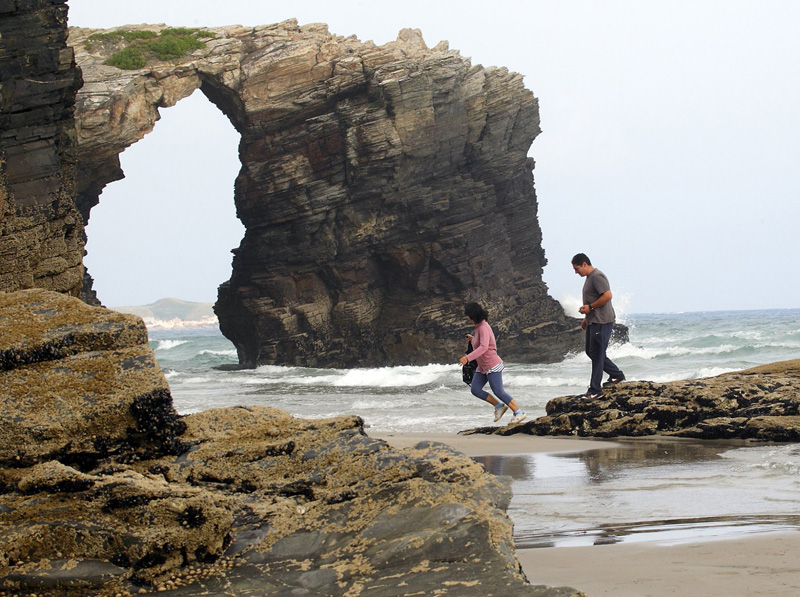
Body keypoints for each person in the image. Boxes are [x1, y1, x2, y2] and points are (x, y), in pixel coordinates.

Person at [458, 302, 526, 424]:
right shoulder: (478, 327)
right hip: (482, 366)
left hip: (492, 364)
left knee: (498, 391)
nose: (468, 318)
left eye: (468, 316)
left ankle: (519, 412)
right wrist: (472, 339)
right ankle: (499, 406)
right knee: (475, 389)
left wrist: (467, 358)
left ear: (473, 315)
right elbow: (481, 343)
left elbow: (484, 347)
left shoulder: (483, 327)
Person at [571, 253, 625, 399]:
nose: (576, 272)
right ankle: (617, 375)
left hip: (602, 321)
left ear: (584, 264)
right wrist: (586, 317)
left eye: (576, 269)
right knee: (591, 352)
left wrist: (590, 308)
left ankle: (595, 390)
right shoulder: (590, 278)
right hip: (593, 320)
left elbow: (607, 296)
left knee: (598, 355)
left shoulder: (597, 276)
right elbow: (592, 301)